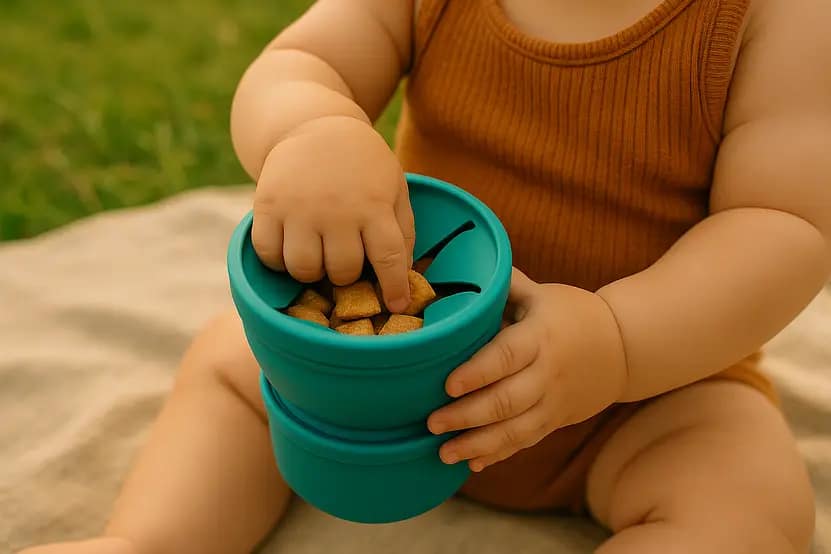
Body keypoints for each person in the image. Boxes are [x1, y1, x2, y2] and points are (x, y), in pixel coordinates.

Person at [22, 0, 830, 552]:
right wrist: (312, 127)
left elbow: (783, 226)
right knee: (236, 369)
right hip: (389, 363)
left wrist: (618, 342)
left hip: (637, 398)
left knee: (747, 500)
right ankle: (154, 538)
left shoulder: (780, 19)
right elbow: (303, 59)